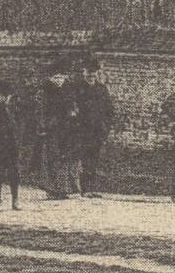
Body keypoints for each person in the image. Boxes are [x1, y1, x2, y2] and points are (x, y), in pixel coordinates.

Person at [35, 62, 82, 201]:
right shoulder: (44, 91)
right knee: (52, 159)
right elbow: (40, 111)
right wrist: (45, 125)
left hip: (68, 130)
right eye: (56, 78)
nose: (59, 80)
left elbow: (75, 106)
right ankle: (53, 189)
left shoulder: (69, 89)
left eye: (61, 77)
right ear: (51, 78)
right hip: (52, 130)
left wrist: (74, 112)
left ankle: (68, 188)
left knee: (68, 158)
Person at [74, 57, 116, 198]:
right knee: (82, 159)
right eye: (88, 74)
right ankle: (81, 188)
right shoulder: (77, 89)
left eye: (93, 75)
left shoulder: (101, 88)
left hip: (97, 130)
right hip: (81, 130)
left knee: (93, 159)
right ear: (83, 73)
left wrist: (105, 125)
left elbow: (110, 110)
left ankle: (90, 188)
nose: (91, 77)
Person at [0, 79, 26, 211]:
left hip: (12, 145)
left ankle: (15, 200)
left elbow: (21, 125)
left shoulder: (15, 109)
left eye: (4, 95)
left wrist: (18, 140)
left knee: (14, 172)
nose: (0, 98)